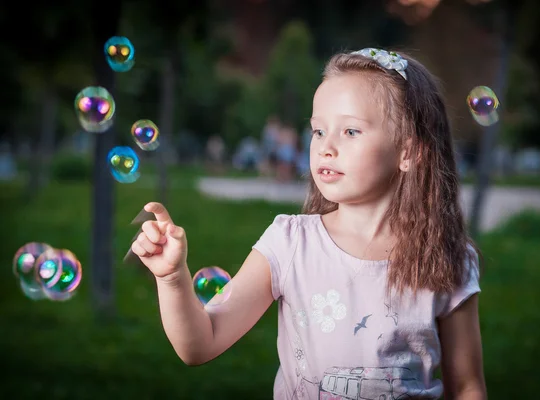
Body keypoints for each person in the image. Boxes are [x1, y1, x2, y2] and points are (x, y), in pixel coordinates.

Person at [130, 48, 487, 400]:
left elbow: (467, 386)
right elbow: (200, 344)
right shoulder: (290, 243)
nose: (326, 147)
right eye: (318, 131)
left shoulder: (446, 257)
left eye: (350, 131)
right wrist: (172, 278)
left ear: (408, 152)